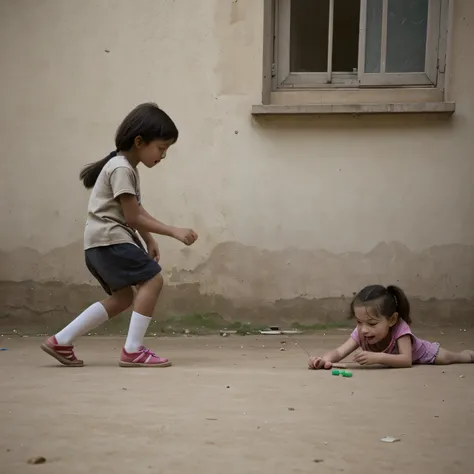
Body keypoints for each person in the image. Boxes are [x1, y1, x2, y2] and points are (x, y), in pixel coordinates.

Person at [41, 103, 197, 368]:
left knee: (123, 298)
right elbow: (132, 217)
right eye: (161, 148)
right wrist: (173, 231)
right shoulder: (121, 168)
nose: (164, 155)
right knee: (153, 280)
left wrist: (148, 239)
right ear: (139, 141)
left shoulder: (123, 167)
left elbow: (134, 209)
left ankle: (61, 340)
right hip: (110, 240)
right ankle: (133, 350)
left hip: (98, 245)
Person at [308, 284, 474, 369]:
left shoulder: (400, 329)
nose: (364, 329)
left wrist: (377, 358)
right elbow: (339, 352)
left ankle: (469, 355)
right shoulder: (362, 332)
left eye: (372, 323)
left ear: (392, 319)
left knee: (452, 358)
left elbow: (406, 360)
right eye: (359, 322)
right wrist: (323, 360)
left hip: (426, 354)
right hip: (398, 357)